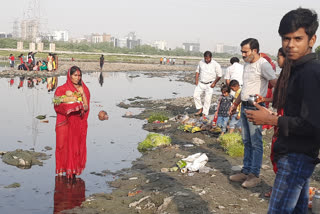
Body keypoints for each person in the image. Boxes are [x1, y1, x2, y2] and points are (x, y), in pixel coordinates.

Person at [246, 8, 320, 213]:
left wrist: (273, 120)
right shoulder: (295, 69)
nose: (290, 45)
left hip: (298, 155)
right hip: (294, 152)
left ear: (311, 39)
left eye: (298, 38)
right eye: (286, 39)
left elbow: (314, 125)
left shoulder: (311, 73)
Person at [228, 38, 277, 188]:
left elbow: (277, 84)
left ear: (254, 51)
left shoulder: (263, 65)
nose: (242, 54)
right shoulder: (247, 65)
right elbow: (245, 87)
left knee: (256, 142)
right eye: (242, 51)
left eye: (245, 51)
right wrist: (235, 104)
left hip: (256, 107)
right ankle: (246, 170)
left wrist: (270, 101)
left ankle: (254, 174)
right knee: (246, 140)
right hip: (244, 106)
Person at [54, 66, 90, 178]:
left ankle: (72, 171)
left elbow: (86, 107)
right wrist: (70, 106)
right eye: (75, 75)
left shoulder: (84, 89)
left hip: (77, 124)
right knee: (62, 146)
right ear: (69, 76)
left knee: (74, 148)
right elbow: (57, 105)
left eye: (79, 75)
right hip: (64, 123)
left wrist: (81, 94)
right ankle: (60, 173)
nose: (77, 78)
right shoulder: (61, 89)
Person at [194, 51, 222, 117]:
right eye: (205, 58)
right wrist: (196, 80)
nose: (206, 60)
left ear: (211, 57)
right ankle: (200, 108)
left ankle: (205, 113)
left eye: (208, 58)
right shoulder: (201, 62)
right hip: (201, 83)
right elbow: (197, 72)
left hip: (210, 84)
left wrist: (214, 83)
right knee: (195, 95)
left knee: (207, 99)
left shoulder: (215, 64)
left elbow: (219, 75)